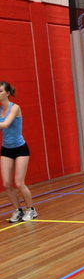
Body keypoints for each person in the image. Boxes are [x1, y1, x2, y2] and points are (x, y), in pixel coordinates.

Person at [0, 82, 37, 222]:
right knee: (7, 184)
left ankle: (31, 209)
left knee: (19, 183)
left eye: (0, 91)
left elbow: (6, 124)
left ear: (7, 93)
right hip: (6, 149)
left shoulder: (15, 108)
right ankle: (18, 210)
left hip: (20, 149)